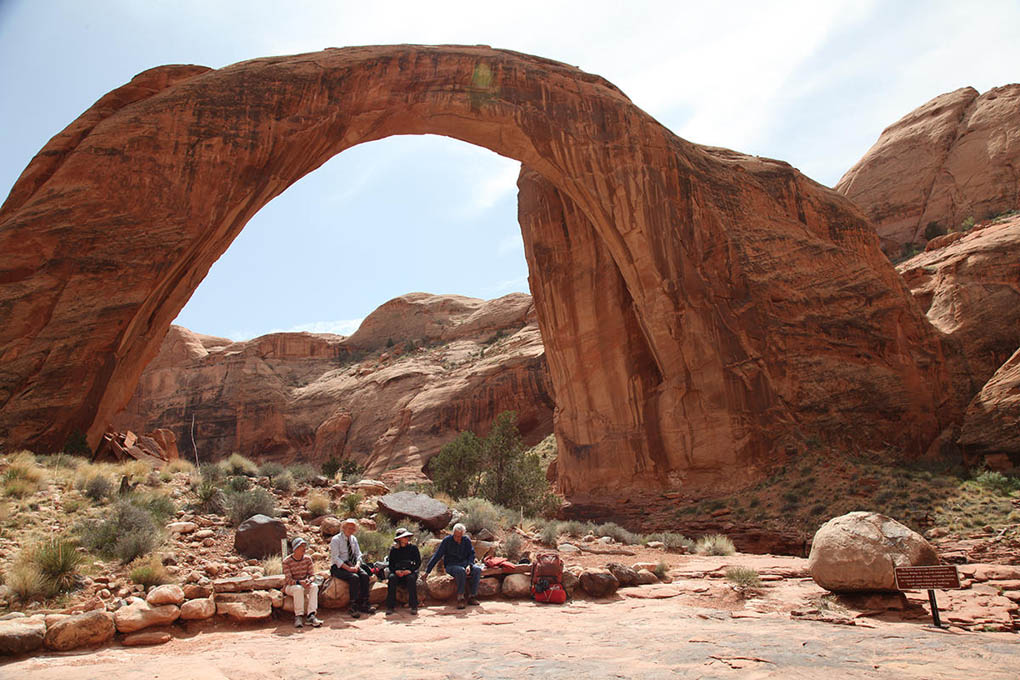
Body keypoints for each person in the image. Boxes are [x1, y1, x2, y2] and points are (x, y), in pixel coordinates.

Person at [424, 523, 480, 609]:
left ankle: (472, 596)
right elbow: (437, 555)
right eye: (456, 536)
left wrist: (469, 565)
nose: (457, 538)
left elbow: (471, 554)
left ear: (463, 534)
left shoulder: (466, 540)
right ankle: (460, 597)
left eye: (459, 536)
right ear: (453, 533)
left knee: (477, 570)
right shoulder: (447, 541)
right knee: (460, 571)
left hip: (465, 564)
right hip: (451, 565)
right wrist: (427, 571)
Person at [329, 518, 375, 618]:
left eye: (353, 529)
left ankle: (364, 603)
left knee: (364, 575)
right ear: (343, 528)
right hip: (339, 566)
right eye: (349, 528)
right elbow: (335, 558)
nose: (351, 530)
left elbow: (358, 554)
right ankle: (353, 605)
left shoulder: (353, 539)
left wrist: (357, 565)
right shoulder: (336, 540)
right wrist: (348, 568)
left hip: (352, 563)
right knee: (354, 577)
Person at [282, 537, 322, 628]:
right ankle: (298, 616)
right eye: (301, 546)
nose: (304, 549)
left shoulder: (308, 559)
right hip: (291, 586)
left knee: (314, 586)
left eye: (305, 546)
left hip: (305, 584)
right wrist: (300, 582)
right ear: (295, 548)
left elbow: (312, 575)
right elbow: (288, 580)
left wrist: (310, 580)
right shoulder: (286, 561)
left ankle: (311, 615)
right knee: (298, 589)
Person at [385, 527, 421, 615]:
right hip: (398, 572)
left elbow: (418, 562)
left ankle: (414, 606)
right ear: (399, 539)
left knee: (411, 578)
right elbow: (391, 565)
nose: (407, 538)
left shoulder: (413, 548)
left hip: (410, 571)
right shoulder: (394, 550)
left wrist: (410, 570)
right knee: (392, 578)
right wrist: (396, 571)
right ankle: (390, 606)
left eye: (407, 537)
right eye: (405, 537)